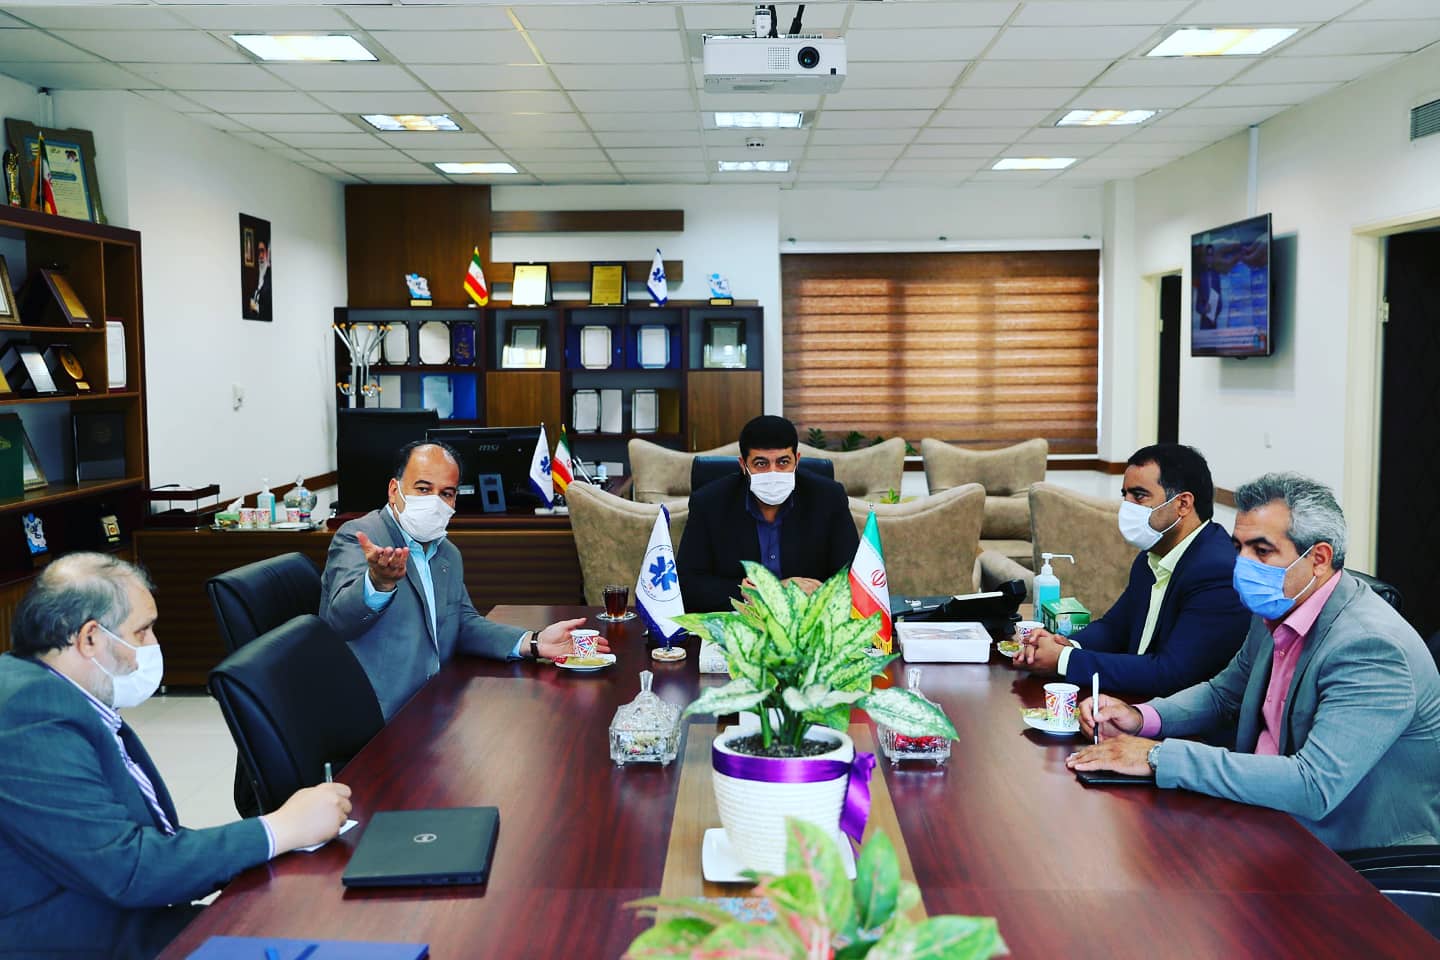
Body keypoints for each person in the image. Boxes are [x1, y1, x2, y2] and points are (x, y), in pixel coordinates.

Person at [0, 553, 352, 960]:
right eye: (142, 631)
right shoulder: (29, 715)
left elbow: (147, 839)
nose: (154, 646)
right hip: (81, 939)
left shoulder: (55, 691)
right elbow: (130, 867)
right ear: (90, 638)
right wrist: (280, 828)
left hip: (116, 911)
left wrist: (278, 835)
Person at [1067, 473, 1440, 851]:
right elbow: (1223, 694)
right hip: (1261, 810)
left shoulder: (1371, 648)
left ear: (1319, 559)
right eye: (1239, 547)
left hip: (1342, 853)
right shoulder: (1277, 607)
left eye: (1261, 551)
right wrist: (1141, 718)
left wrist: (1158, 756)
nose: (1241, 564)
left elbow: (1313, 784)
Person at [320, 440, 603, 720]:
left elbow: (463, 624)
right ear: (394, 491)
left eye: (446, 493)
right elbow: (339, 622)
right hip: (379, 718)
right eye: (423, 489)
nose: (435, 501)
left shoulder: (447, 554)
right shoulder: (361, 536)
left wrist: (535, 641)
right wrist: (377, 584)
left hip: (436, 707)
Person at [1016, 443, 1250, 698]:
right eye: (1124, 495)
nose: (1126, 506)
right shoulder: (1152, 554)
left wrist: (1064, 660)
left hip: (1181, 713)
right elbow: (1114, 628)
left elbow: (1172, 674)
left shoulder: (1217, 571)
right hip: (1135, 700)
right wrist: (1066, 643)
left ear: (1183, 504)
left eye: (1139, 496)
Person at [677, 415, 860, 613]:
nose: (773, 472)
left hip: (808, 617)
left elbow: (853, 576)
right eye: (761, 463)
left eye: (783, 462)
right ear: (743, 465)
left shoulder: (828, 498)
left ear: (797, 461)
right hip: (740, 619)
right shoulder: (709, 503)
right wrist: (759, 592)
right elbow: (687, 583)